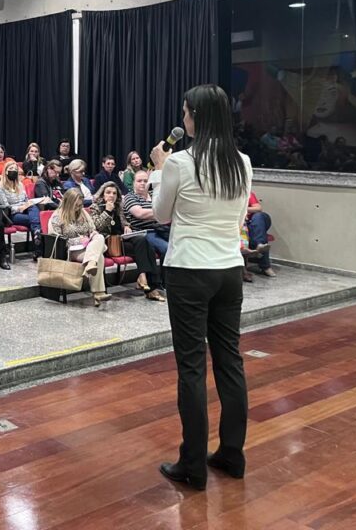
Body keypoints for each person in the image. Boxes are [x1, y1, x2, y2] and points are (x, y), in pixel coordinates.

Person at [150, 83, 252, 491]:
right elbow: (241, 216)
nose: (183, 119)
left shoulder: (179, 162)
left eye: (186, 112)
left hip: (190, 270)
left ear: (197, 117)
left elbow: (160, 215)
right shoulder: (242, 162)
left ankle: (192, 464)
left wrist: (160, 169)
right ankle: (232, 454)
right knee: (230, 360)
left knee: (192, 368)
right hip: (229, 269)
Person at [89, 181, 164, 301]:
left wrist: (126, 226)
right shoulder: (95, 207)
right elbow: (96, 226)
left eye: (114, 193)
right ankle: (149, 286)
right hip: (108, 243)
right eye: (108, 192)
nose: (111, 195)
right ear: (102, 194)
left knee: (143, 242)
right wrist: (107, 211)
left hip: (122, 239)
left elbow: (124, 221)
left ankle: (144, 278)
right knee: (144, 248)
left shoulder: (119, 207)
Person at [48, 189, 109, 306]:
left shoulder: (83, 213)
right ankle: (98, 292)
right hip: (70, 250)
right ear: (68, 203)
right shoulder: (57, 216)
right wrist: (78, 240)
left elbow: (92, 229)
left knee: (99, 237)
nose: (78, 208)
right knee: (98, 257)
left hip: (88, 247)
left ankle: (90, 265)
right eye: (76, 205)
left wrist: (92, 235)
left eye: (80, 205)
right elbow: (57, 240)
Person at [0, 159, 43, 259]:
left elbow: (25, 199)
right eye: (11, 168)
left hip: (25, 209)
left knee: (33, 207)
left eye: (15, 169)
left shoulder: (20, 185)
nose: (14, 170)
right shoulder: (0, 188)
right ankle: (38, 243)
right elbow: (6, 207)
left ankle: (37, 236)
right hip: (12, 214)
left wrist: (27, 204)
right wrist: (19, 208)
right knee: (36, 221)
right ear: (5, 171)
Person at [123, 170, 170, 260]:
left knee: (182, 247)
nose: (143, 183)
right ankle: (166, 274)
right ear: (134, 183)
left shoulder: (155, 195)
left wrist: (163, 212)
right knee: (167, 249)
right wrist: (162, 211)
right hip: (145, 232)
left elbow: (169, 211)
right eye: (139, 181)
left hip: (163, 230)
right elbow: (140, 214)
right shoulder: (130, 197)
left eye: (145, 181)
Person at [245, 191, 275, 278]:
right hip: (244, 226)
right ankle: (265, 266)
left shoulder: (247, 193)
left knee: (259, 216)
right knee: (259, 235)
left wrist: (244, 209)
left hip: (257, 223)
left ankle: (260, 245)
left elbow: (258, 208)